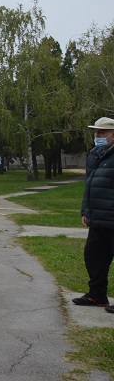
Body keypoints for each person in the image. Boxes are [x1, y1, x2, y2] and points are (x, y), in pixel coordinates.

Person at [73, 117, 114, 309]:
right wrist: (85, 211)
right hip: (97, 218)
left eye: (102, 133)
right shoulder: (95, 155)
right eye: (96, 132)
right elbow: (89, 186)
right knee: (93, 256)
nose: (97, 136)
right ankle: (97, 296)